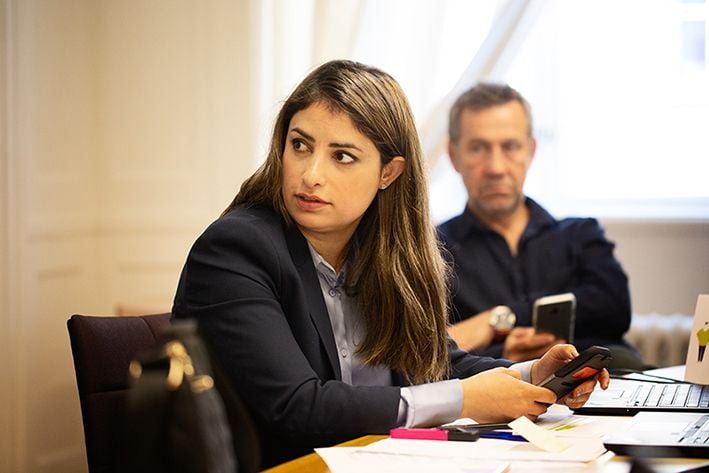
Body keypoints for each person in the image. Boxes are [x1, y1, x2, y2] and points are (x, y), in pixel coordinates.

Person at [172, 61, 608, 468]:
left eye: (342, 156)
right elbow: (297, 407)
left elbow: (434, 363)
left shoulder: (381, 250)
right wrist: (463, 399)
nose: (311, 175)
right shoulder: (235, 249)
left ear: (389, 172)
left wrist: (532, 374)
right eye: (300, 145)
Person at [439, 82, 642, 368]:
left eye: (510, 147)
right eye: (477, 148)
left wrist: (499, 319)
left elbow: (614, 309)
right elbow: (427, 357)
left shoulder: (579, 235)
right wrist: (502, 354)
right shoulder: (432, 250)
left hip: (603, 380)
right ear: (453, 155)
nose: (496, 167)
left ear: (531, 151)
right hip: (490, 389)